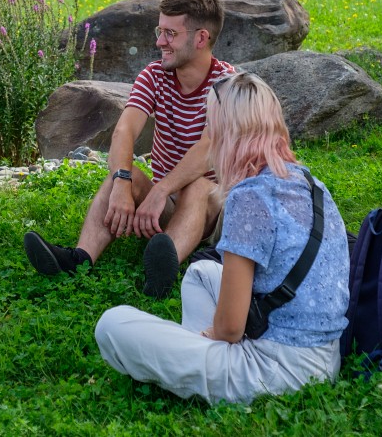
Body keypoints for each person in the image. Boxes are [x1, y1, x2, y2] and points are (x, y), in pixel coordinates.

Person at [95, 72, 350, 404]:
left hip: (280, 369)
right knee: (200, 274)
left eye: (211, 125)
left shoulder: (249, 197)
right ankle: (199, 363)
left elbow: (229, 328)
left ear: (227, 132)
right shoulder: (309, 182)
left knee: (111, 325)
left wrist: (212, 335)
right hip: (326, 355)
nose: (208, 135)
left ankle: (200, 369)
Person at [24, 0, 233, 297]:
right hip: (167, 205)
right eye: (159, 31)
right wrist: (122, 182)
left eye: (170, 33)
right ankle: (78, 259)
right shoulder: (155, 75)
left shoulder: (226, 82)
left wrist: (160, 190)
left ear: (201, 38)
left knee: (199, 186)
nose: (160, 41)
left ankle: (162, 269)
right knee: (126, 173)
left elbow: (208, 150)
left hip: (214, 211)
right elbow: (124, 132)